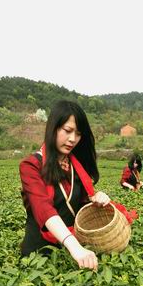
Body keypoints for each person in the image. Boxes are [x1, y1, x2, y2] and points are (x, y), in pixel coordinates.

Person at [19, 100, 116, 270]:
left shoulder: (77, 166)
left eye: (78, 134)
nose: (73, 139)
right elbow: (43, 208)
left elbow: (79, 204)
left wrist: (96, 199)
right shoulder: (31, 166)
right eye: (67, 130)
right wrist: (75, 248)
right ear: (53, 128)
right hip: (40, 251)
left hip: (73, 250)